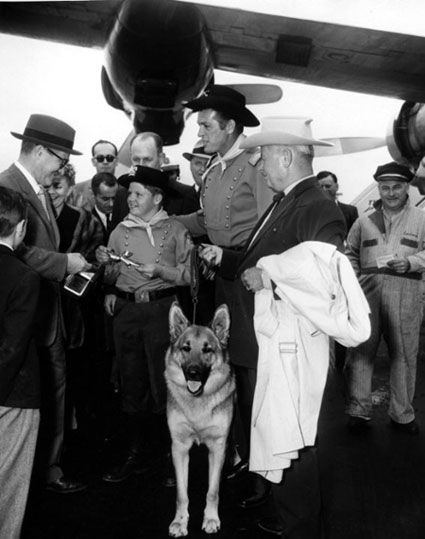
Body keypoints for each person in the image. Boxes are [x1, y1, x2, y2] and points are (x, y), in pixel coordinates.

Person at [200, 116, 346, 538]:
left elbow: (326, 281)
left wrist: (271, 278)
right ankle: (291, 519)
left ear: (285, 155)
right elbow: (258, 259)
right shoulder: (288, 200)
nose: (260, 166)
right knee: (281, 439)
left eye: (264, 156)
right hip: (266, 342)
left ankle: (300, 527)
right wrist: (230, 263)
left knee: (295, 443)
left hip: (290, 349)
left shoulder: (318, 207)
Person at [178, 84, 274, 486]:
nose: (198, 134)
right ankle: (238, 454)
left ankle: (263, 472)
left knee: (252, 378)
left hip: (249, 283)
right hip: (224, 283)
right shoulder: (216, 168)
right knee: (230, 372)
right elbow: (207, 222)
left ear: (231, 126)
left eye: (205, 126)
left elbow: (271, 229)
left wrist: (232, 259)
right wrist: (166, 221)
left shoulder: (255, 164)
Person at [0, 113, 90, 494]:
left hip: (46, 311)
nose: (62, 167)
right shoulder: (7, 187)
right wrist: (64, 263)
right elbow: (13, 252)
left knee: (53, 392)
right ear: (38, 151)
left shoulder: (34, 188)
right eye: (59, 158)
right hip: (22, 316)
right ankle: (28, 477)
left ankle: (43, 471)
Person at [96, 165, 193, 485]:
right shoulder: (119, 230)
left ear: (157, 197)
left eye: (138, 194)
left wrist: (163, 271)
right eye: (130, 194)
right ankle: (136, 453)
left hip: (162, 312)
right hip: (127, 314)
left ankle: (170, 457)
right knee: (132, 383)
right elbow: (110, 275)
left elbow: (191, 276)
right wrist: (107, 272)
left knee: (164, 385)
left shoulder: (176, 229)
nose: (131, 199)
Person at [345, 162, 425, 436]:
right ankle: (359, 409)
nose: (391, 193)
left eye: (397, 187)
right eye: (385, 187)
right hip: (367, 294)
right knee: (362, 352)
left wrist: (413, 262)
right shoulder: (364, 220)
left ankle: (402, 414)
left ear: (407, 188)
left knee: (404, 354)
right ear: (378, 188)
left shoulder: (422, 219)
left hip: (406, 292)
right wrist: (354, 283)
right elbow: (349, 254)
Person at [0, 187, 40, 539]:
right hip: (12, 397)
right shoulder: (24, 276)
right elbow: (13, 347)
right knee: (9, 491)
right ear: (21, 229)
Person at [317, 170, 359, 369]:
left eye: (328, 185)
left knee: (342, 320)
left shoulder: (350, 211)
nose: (325, 189)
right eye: (321, 186)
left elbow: (353, 243)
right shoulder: (311, 212)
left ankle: (341, 367)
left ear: (337, 187)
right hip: (320, 275)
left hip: (343, 273)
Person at [68, 139, 119, 211]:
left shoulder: (126, 191)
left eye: (109, 158)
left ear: (116, 161)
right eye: (100, 158)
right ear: (93, 162)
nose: (105, 162)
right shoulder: (77, 190)